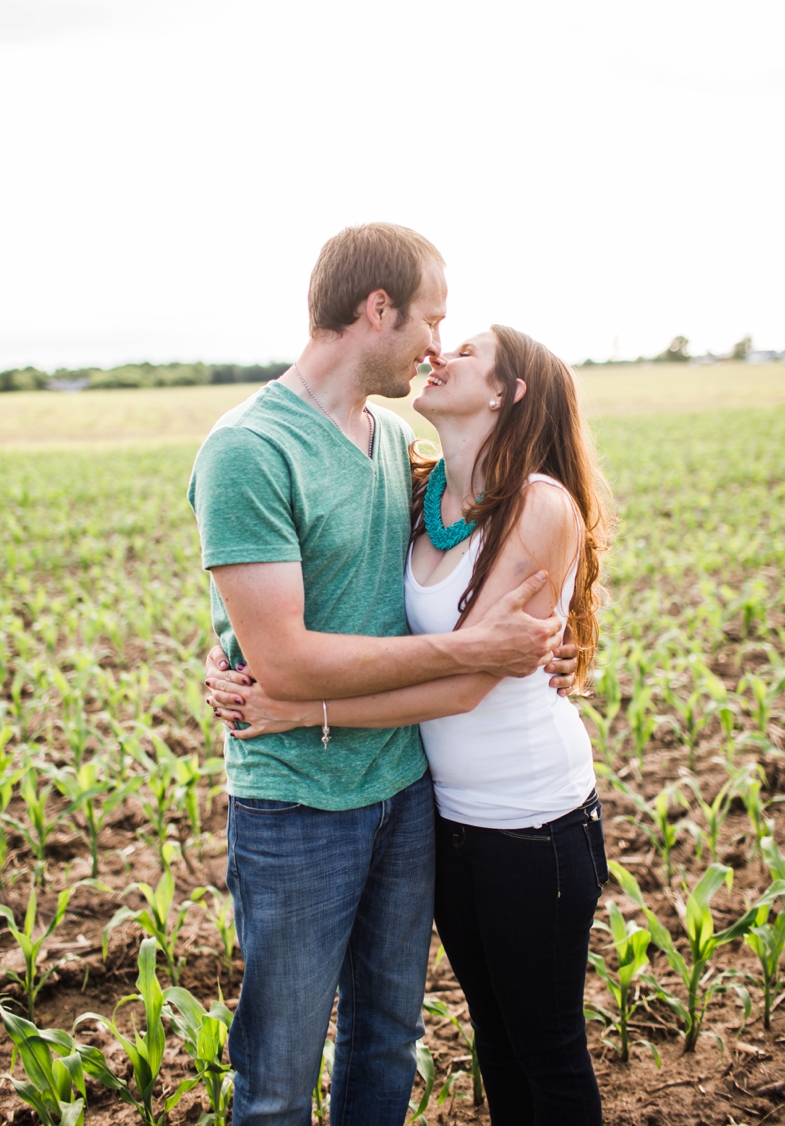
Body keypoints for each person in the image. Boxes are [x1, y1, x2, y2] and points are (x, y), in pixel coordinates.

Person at [185, 224, 573, 1126]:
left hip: (405, 794)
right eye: (431, 320)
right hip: (295, 803)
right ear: (377, 310)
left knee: (386, 1042)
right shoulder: (249, 448)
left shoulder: (397, 443)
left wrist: (552, 638)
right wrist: (474, 655)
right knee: (278, 1079)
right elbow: (279, 653)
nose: (438, 344)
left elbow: (500, 529)